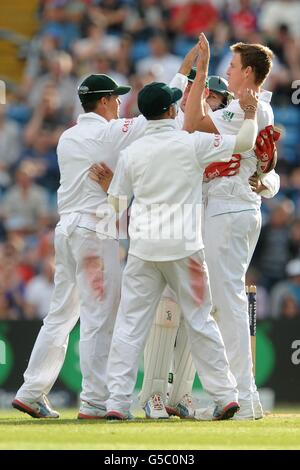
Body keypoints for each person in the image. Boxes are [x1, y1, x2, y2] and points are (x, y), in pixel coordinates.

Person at [11, 45, 199, 419]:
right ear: (104, 101)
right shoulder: (112, 134)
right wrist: (184, 73)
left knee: (60, 316)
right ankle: (95, 402)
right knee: (100, 318)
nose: (119, 104)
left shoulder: (68, 137)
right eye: (115, 98)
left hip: (67, 232)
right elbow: (159, 115)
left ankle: (31, 391)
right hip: (96, 235)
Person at [104, 33, 260, 421]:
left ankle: (115, 404)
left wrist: (123, 239)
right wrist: (252, 114)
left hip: (143, 250)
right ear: (172, 111)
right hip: (186, 248)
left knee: (129, 328)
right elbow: (242, 144)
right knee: (202, 322)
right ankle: (225, 396)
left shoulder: (133, 151)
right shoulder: (189, 143)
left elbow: (116, 203)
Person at [184, 41, 280, 420]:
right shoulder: (251, 108)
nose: (228, 69)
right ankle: (240, 396)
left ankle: (241, 395)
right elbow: (266, 168)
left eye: (233, 64)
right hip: (233, 208)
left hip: (228, 209)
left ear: (248, 73)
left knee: (228, 303)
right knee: (224, 303)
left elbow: (192, 124)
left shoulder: (248, 108)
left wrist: (200, 74)